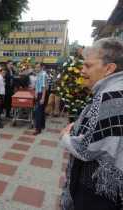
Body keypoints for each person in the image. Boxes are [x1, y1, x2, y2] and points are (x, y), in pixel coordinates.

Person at [60, 37, 123, 210]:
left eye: (88, 65)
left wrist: (66, 136)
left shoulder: (109, 96)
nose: (81, 71)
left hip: (99, 191)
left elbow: (87, 149)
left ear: (109, 68)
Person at [33, 63, 48, 135]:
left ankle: (37, 129)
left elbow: (44, 87)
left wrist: (42, 98)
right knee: (41, 111)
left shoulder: (43, 74)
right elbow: (37, 85)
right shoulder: (38, 74)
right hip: (39, 93)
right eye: (36, 67)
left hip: (42, 94)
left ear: (41, 67)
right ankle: (42, 125)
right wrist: (35, 93)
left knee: (38, 112)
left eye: (38, 67)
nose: (36, 69)